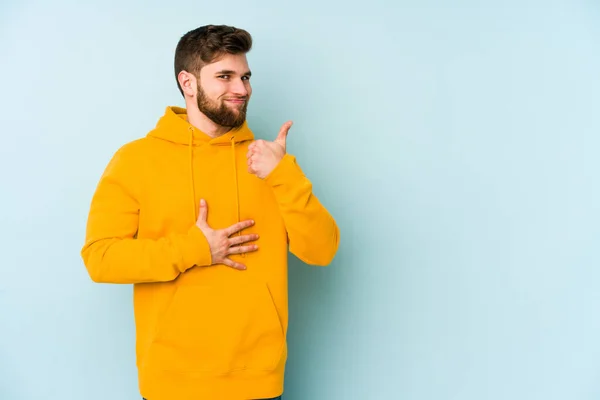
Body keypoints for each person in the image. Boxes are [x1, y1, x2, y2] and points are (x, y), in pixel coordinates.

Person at [80, 24, 340, 400]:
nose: (242, 89)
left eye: (245, 76)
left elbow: (323, 250)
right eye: (225, 76)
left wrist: (283, 175)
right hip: (171, 381)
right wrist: (194, 249)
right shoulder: (135, 161)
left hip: (258, 380)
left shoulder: (271, 163)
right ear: (187, 82)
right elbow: (100, 258)